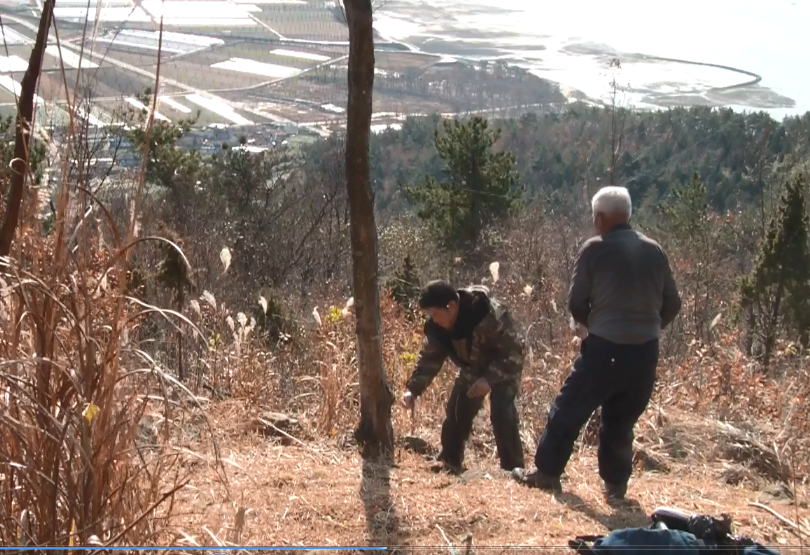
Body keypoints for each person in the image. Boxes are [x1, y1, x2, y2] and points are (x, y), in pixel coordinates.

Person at [513, 186, 682, 500]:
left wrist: (597, 327)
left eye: (595, 217)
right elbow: (672, 303)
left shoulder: (594, 248)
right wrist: (649, 328)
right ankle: (616, 486)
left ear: (602, 217)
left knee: (569, 408)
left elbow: (577, 302)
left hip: (606, 348)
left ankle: (547, 473)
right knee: (621, 419)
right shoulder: (654, 249)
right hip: (646, 353)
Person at [402, 280, 526, 474]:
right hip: (472, 369)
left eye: (435, 314)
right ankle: (450, 462)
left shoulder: (489, 313)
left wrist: (489, 379)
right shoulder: (437, 328)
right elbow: (429, 359)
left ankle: (514, 471)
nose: (432, 319)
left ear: (450, 307)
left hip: (504, 366)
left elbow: (515, 353)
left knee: (503, 413)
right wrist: (413, 389)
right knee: (457, 410)